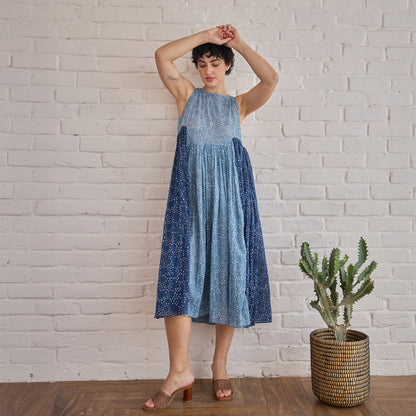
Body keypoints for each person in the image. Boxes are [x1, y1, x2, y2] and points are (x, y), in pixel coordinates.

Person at [143, 24, 278, 411]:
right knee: (179, 278)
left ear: (227, 66)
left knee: (229, 275)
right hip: (189, 204)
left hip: (230, 205)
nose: (208, 71)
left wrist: (238, 43)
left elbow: (271, 79)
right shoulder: (186, 96)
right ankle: (179, 371)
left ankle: (220, 365)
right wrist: (207, 34)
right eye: (202, 64)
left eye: (215, 63)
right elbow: (162, 55)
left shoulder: (238, 106)